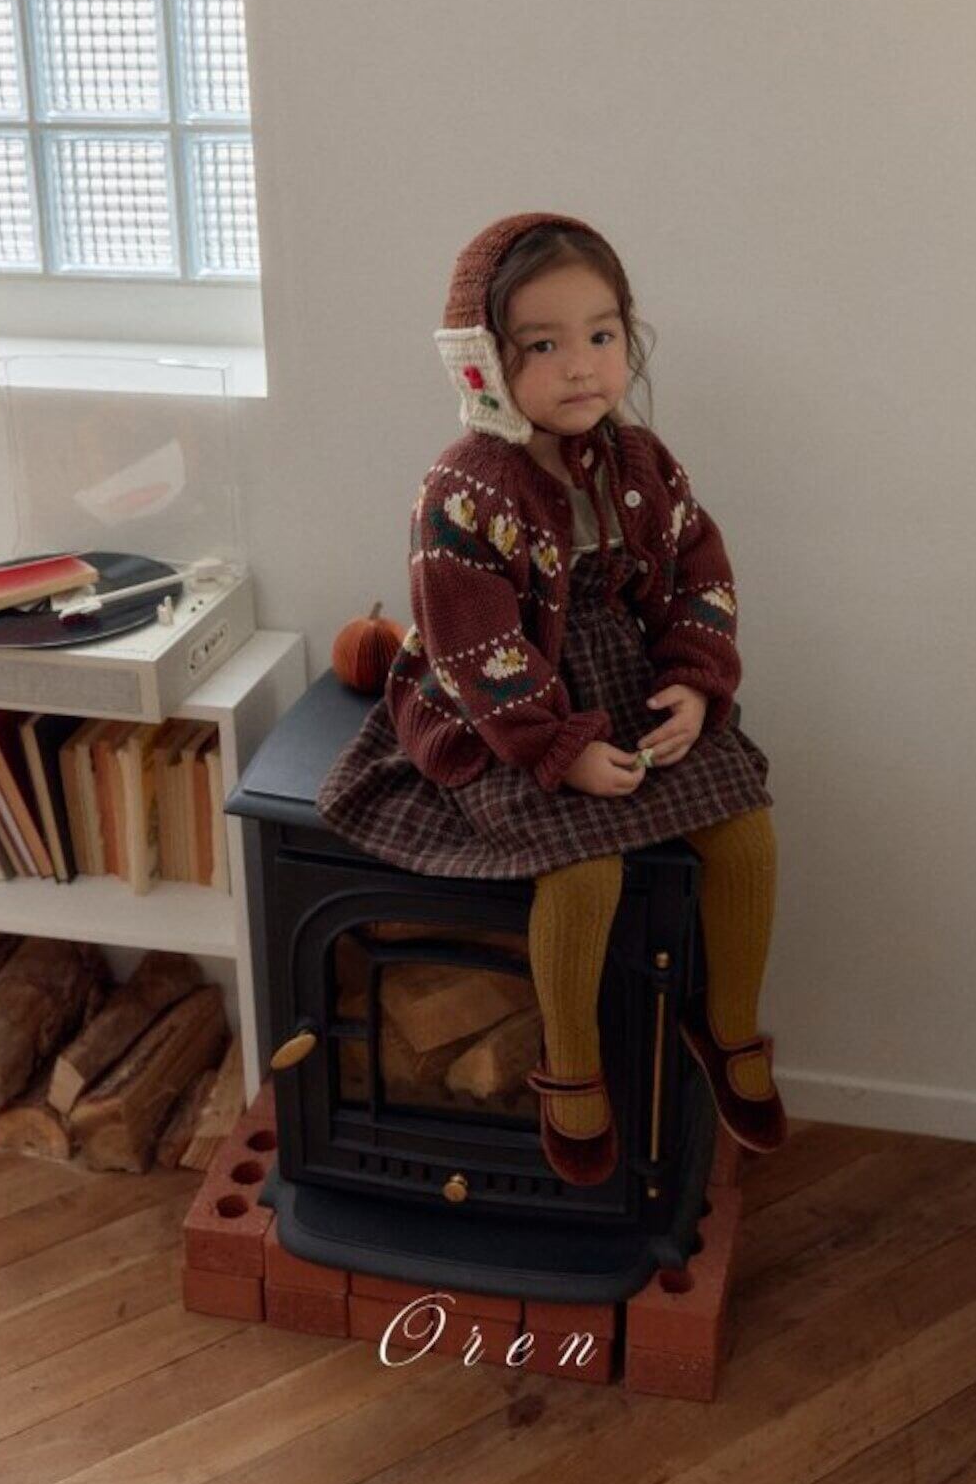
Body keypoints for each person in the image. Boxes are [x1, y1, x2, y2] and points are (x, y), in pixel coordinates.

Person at [317, 211, 784, 1185]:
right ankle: (570, 1063)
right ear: (482, 364)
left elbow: (697, 573)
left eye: (601, 335)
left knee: (743, 828)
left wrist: (694, 681)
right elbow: (473, 645)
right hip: (499, 702)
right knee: (582, 867)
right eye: (542, 345)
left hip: (628, 679)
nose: (581, 367)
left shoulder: (641, 463)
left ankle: (726, 1023)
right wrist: (557, 747)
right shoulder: (463, 490)